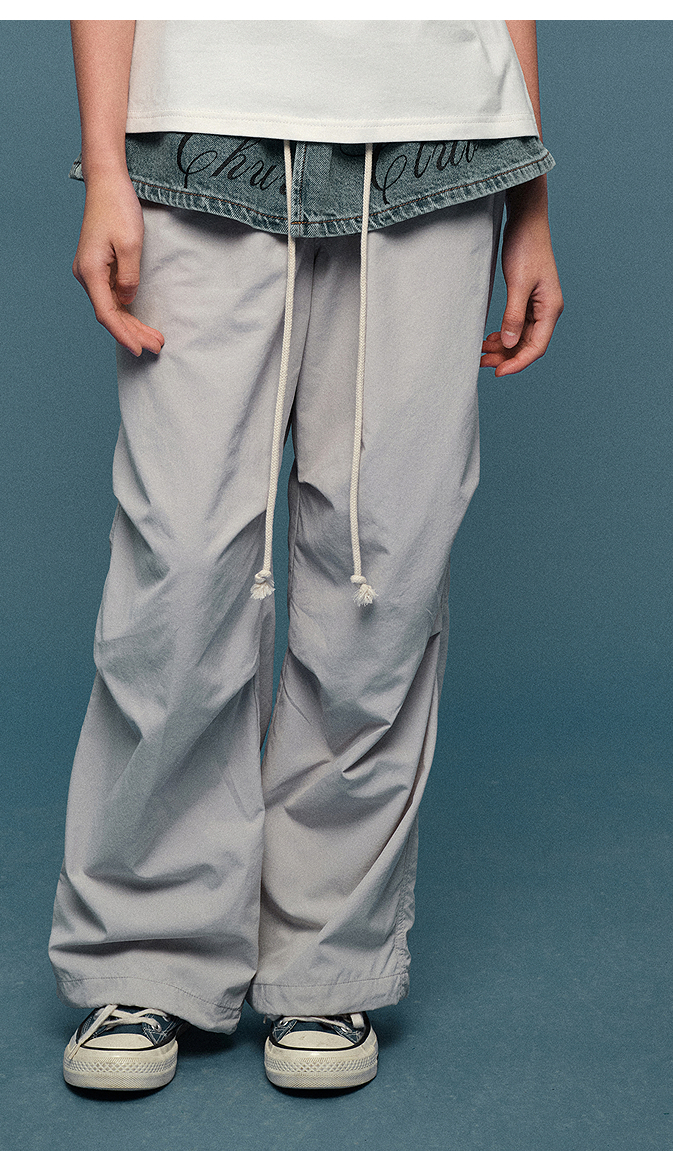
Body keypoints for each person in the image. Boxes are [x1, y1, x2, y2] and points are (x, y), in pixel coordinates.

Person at [49, 19, 563, 1093]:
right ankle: (146, 950)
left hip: (439, 149)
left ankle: (326, 962)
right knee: (182, 568)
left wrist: (531, 204)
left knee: (385, 572)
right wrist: (105, 167)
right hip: (198, 143)